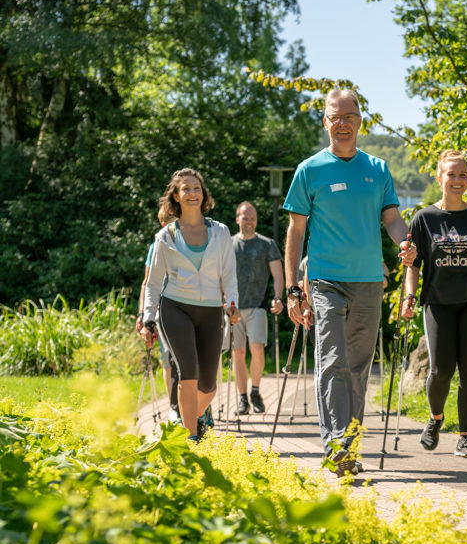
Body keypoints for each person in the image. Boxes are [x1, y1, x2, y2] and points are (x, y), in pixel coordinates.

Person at [283, 87, 416, 476]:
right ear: (325, 122)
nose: (343, 123)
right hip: (325, 280)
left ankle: (350, 444)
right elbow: (295, 231)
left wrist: (406, 242)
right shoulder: (310, 170)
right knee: (333, 361)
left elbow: (391, 218)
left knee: (359, 367)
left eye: (349, 116)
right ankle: (337, 445)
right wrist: (294, 288)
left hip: (370, 282)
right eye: (335, 117)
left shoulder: (377, 169)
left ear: (360, 121)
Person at [401, 150, 467, 458]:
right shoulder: (424, 218)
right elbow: (413, 264)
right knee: (440, 370)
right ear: (439, 178)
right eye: (451, 174)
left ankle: (465, 437)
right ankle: (436, 418)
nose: (457, 180)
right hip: (437, 301)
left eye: (462, 175)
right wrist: (410, 297)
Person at [141, 168, 241, 442]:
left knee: (208, 385)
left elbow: (229, 274)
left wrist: (232, 304)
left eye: (196, 188)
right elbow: (153, 283)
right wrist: (148, 319)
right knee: (188, 371)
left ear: (203, 193)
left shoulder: (220, 232)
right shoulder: (166, 236)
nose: (192, 193)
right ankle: (189, 438)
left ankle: (187, 422)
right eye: (186, 188)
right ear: (176, 195)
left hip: (211, 310)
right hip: (175, 308)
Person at [230, 201, 284, 415]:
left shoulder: (267, 244)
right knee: (238, 352)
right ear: (238, 219)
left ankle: (255, 391)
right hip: (233, 308)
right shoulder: (229, 244)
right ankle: (242, 398)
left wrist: (278, 297)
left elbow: (278, 274)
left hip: (257, 306)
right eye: (245, 217)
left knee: (257, 349)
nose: (249, 221)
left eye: (253, 218)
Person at [136, 207, 181, 423]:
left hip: (183, 305)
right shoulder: (155, 246)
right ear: (164, 223)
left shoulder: (188, 242)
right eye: (172, 218)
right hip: (162, 309)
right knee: (167, 359)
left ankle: (188, 406)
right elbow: (147, 283)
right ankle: (173, 407)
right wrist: (143, 314)